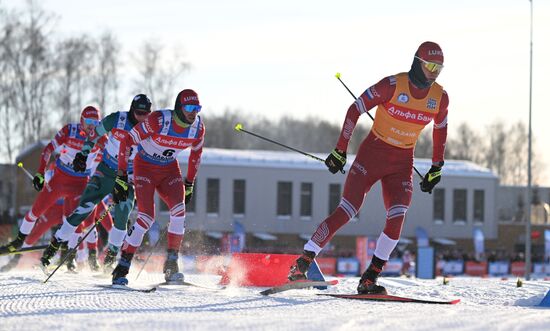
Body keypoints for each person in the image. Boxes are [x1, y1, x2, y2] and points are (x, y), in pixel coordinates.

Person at [288, 41, 449, 295]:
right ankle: (302, 264)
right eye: (430, 65)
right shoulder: (392, 85)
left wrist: (436, 167)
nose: (434, 72)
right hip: (372, 154)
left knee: (398, 214)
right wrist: (340, 150)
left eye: (439, 68)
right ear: (418, 62)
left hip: (402, 162)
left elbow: (440, 130)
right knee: (347, 210)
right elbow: (355, 110)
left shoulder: (439, 97)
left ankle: (369, 277)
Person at [39, 94, 152, 273]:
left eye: (146, 114)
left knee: (123, 213)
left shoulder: (149, 127)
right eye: (139, 113)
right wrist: (83, 154)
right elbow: (94, 134)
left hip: (128, 176)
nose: (142, 117)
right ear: (132, 110)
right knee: (83, 209)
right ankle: (53, 248)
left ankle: (110, 259)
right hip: (106, 170)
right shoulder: (117, 119)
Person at [110, 89, 205, 285]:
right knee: (146, 217)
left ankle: (171, 264)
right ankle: (122, 266)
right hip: (144, 167)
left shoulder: (197, 128)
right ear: (179, 107)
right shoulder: (159, 120)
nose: (193, 112)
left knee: (179, 212)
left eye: (196, 108)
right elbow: (127, 140)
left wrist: (190, 183)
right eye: (188, 108)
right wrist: (120, 176)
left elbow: (196, 154)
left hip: (169, 169)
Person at [0, 106, 103, 261]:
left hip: (80, 184)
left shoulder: (101, 137)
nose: (91, 126)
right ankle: (18, 241)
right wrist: (40, 172)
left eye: (95, 122)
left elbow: (114, 156)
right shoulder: (70, 131)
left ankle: (76, 258)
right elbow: (48, 149)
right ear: (81, 120)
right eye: (88, 121)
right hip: (60, 180)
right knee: (35, 211)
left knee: (77, 220)